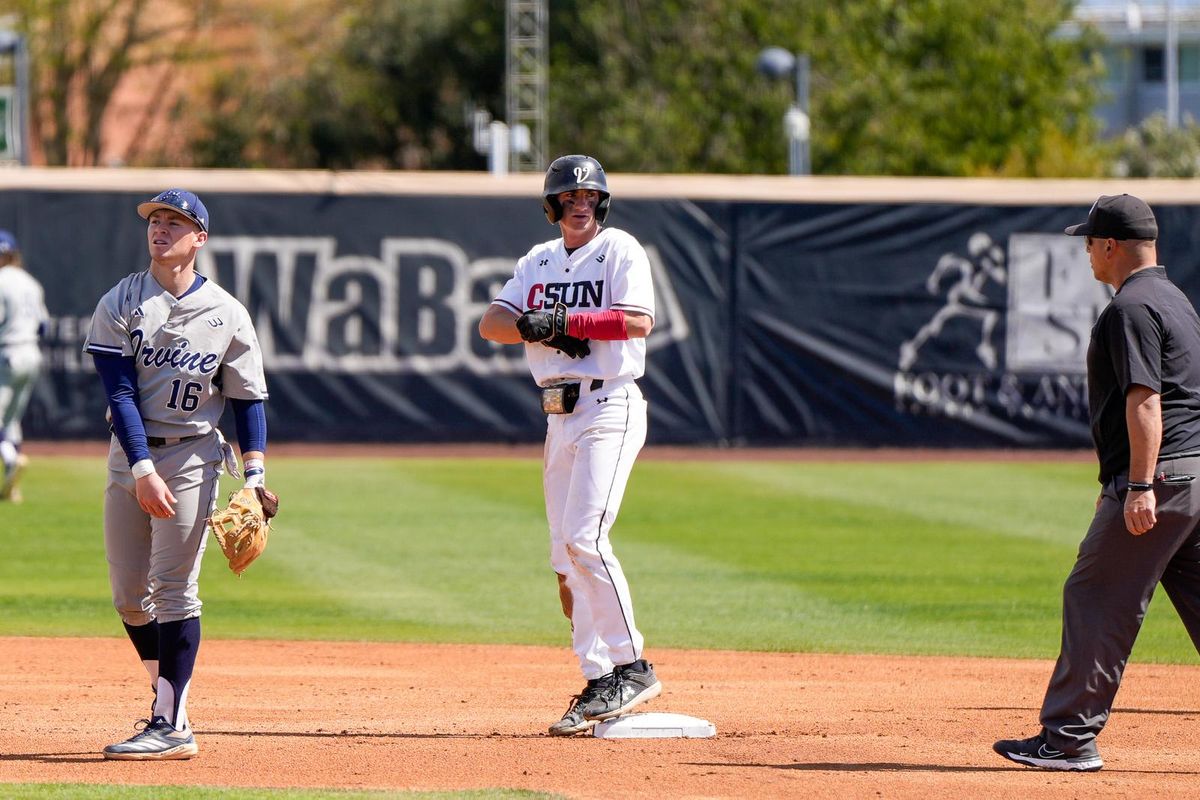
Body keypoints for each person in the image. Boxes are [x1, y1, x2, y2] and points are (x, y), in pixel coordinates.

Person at [994, 194, 1200, 772]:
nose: (1085, 252)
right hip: (1193, 475)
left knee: (1094, 598)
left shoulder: (1131, 307)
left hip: (1162, 479)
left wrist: (1138, 485)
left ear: (1110, 246)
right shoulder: (1175, 300)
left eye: (1089, 242)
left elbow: (1146, 401)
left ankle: (1068, 740)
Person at [83, 189, 270, 760]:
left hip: (193, 456)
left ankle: (170, 721)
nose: (160, 229)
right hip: (130, 456)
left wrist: (254, 476)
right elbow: (119, 393)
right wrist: (142, 467)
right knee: (129, 598)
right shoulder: (121, 300)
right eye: (155, 220)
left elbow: (247, 399)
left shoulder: (227, 312)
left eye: (175, 222)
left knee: (172, 589)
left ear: (199, 239)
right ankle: (171, 698)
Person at [478, 154, 662, 736]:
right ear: (552, 205)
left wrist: (565, 324)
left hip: (610, 404)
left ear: (601, 203)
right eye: (569, 197)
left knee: (586, 538)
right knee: (565, 559)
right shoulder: (537, 260)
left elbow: (638, 321)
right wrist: (532, 324)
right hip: (559, 415)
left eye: (589, 196)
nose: (580, 204)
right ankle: (599, 676)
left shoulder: (620, 249)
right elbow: (491, 323)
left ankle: (633, 667)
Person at [0, 229, 48, 503]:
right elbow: (43, 325)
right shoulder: (30, 282)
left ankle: (10, 459)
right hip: (31, 352)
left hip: (6, 352)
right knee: (12, 419)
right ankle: (11, 486)